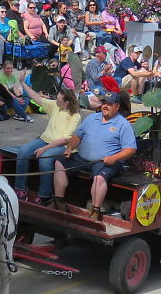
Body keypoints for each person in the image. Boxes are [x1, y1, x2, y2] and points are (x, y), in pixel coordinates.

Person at [52, 91, 137, 221]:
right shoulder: (92, 118)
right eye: (104, 103)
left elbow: (131, 149)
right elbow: (77, 136)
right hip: (82, 158)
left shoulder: (123, 124)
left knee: (99, 178)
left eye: (110, 104)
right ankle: (59, 202)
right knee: (59, 162)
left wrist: (113, 158)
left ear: (117, 106)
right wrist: (69, 148)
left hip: (105, 161)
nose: (105, 106)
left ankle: (95, 211)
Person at [14, 88, 81, 203]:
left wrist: (44, 148)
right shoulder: (56, 105)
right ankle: (21, 188)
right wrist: (23, 84)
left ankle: (45, 194)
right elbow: (37, 98)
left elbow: (64, 139)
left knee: (45, 158)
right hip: (45, 139)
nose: (55, 101)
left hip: (62, 146)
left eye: (59, 100)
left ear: (67, 102)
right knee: (23, 152)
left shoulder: (75, 116)